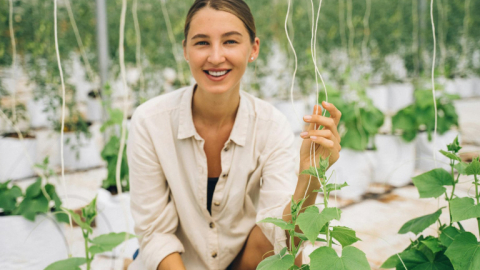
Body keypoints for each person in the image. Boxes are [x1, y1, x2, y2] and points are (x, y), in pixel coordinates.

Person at [127, 0, 341, 269]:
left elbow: (285, 238)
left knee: (281, 244)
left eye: (230, 42)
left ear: (253, 49)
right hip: (176, 263)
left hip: (244, 260)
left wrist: (310, 176)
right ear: (185, 50)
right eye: (202, 42)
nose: (216, 57)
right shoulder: (150, 122)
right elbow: (154, 233)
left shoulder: (272, 126)